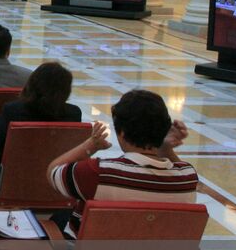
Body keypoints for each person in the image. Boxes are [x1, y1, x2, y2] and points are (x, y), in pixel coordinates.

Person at [48, 90, 197, 237]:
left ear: (122, 133)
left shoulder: (98, 173)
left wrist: (90, 146)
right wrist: (165, 148)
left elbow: (53, 172)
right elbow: (181, 171)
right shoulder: (188, 178)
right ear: (163, 130)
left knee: (61, 216)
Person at [0, 61, 81, 154]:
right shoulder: (74, 113)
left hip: (18, 168)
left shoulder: (13, 110)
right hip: (58, 169)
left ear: (32, 84)